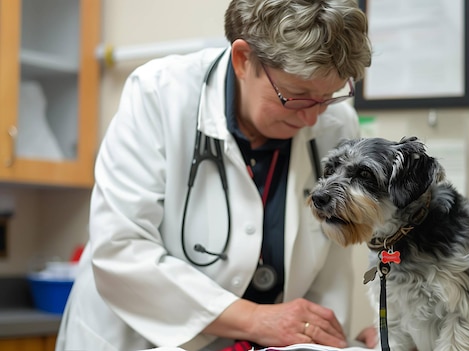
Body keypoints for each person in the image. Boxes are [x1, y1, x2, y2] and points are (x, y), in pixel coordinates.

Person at [55, 0, 376, 350]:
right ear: (243, 60)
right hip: (137, 338)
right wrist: (256, 319)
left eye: (328, 96)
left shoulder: (337, 122)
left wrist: (323, 340)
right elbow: (121, 250)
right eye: (296, 97)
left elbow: (330, 270)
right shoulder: (159, 94)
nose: (313, 118)